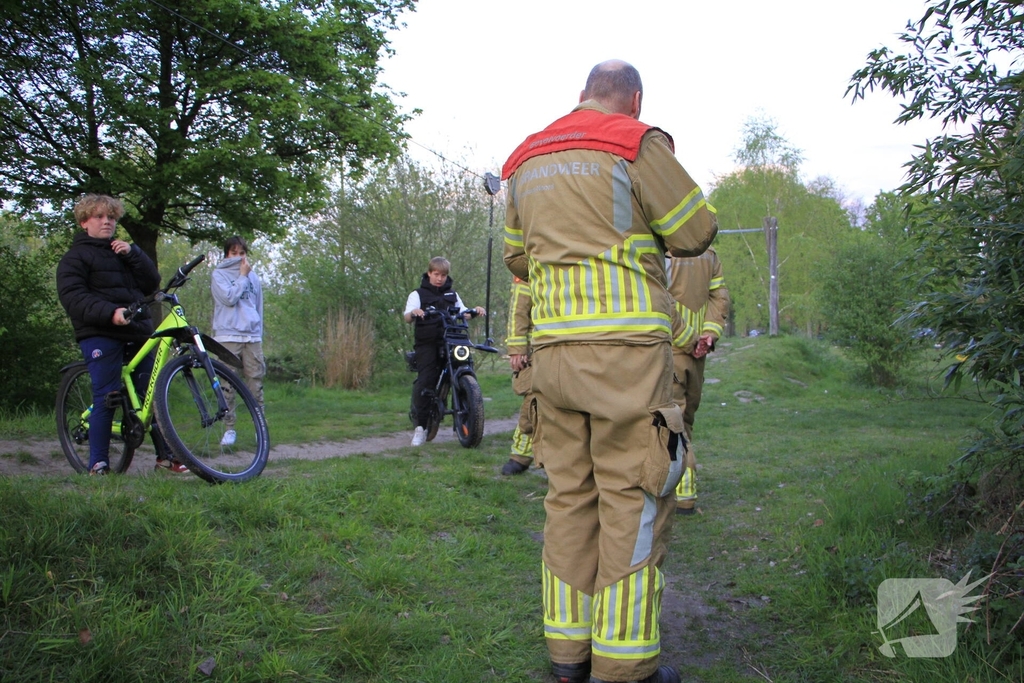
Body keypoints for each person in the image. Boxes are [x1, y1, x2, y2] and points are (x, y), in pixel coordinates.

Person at [502, 60, 718, 683]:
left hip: (555, 360)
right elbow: (696, 232)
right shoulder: (634, 141)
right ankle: (624, 669)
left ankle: (567, 658)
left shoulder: (524, 157)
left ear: (581, 96)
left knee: (568, 496)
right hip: (625, 358)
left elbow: (518, 257)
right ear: (635, 98)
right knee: (635, 497)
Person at [56, 193, 188, 475]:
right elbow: (73, 297)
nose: (107, 222)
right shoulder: (74, 258)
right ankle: (98, 464)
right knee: (107, 395)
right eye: (99, 217)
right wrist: (110, 313)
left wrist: (135, 254)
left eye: (111, 217)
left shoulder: (123, 252)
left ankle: (165, 458)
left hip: (138, 332)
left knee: (149, 396)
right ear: (84, 222)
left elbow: (151, 284)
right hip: (100, 332)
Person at [667, 248, 730, 514]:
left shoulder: (659, 249)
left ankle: (681, 488)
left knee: (671, 422)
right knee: (685, 420)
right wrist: (708, 335)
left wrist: (690, 339)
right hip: (697, 355)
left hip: (669, 349)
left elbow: (656, 299)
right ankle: (685, 492)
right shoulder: (709, 255)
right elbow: (720, 297)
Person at [403, 257, 486, 446]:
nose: (440, 278)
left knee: (464, 366)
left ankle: (470, 413)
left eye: (443, 275)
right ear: (430, 273)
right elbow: (407, 316)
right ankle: (420, 428)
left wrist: (475, 311)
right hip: (428, 343)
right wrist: (415, 312)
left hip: (452, 340)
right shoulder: (418, 294)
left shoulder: (452, 295)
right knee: (426, 381)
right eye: (436, 274)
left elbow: (463, 312)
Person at [211, 235, 265, 447]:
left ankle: (260, 429)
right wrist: (242, 276)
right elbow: (229, 298)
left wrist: (259, 333)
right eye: (234, 253)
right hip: (227, 336)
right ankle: (229, 429)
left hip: (251, 336)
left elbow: (257, 306)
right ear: (227, 255)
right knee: (227, 385)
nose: (238, 257)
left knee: (256, 383)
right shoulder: (219, 275)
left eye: (241, 253)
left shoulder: (254, 277)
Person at [502, 275, 535, 475]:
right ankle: (520, 455)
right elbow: (518, 310)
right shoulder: (527, 273)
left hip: (566, 347)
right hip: (536, 351)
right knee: (533, 401)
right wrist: (517, 348)